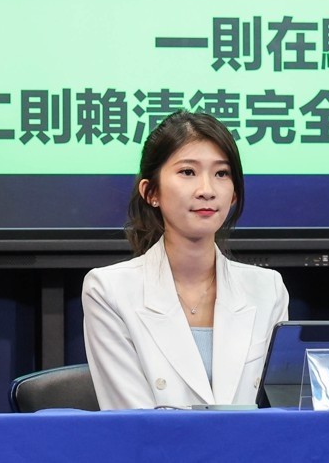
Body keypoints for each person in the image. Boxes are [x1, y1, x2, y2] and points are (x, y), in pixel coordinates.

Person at [82, 111, 289, 410]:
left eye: (221, 174)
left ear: (233, 194)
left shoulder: (268, 289)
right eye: (188, 172)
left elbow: (278, 411)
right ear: (151, 192)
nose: (207, 190)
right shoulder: (108, 290)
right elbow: (133, 420)